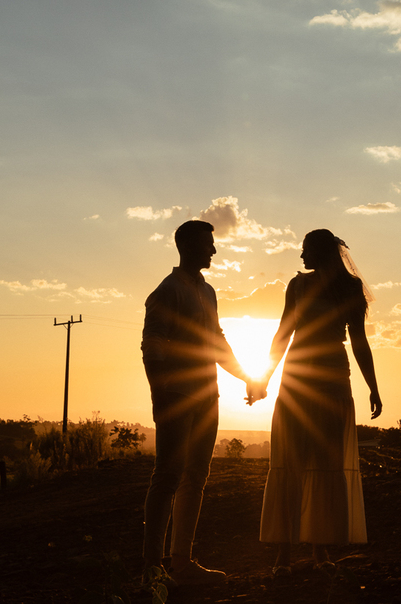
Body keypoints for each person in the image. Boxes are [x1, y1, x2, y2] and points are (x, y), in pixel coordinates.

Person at [141, 220, 264, 584]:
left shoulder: (208, 292)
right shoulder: (167, 291)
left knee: (195, 477)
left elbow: (217, 342)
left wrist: (247, 376)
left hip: (209, 396)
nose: (213, 250)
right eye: (208, 244)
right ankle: (152, 569)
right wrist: (159, 395)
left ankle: (181, 563)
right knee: (167, 476)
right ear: (188, 247)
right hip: (177, 397)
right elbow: (152, 345)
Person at [256, 229, 383, 574]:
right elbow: (283, 333)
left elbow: (359, 340)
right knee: (291, 461)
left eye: (306, 250)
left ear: (322, 252)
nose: (301, 257)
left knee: (326, 463)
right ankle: (283, 554)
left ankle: (320, 550)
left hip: (333, 379)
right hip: (297, 379)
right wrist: (263, 377)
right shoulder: (297, 286)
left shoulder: (351, 288)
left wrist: (373, 386)